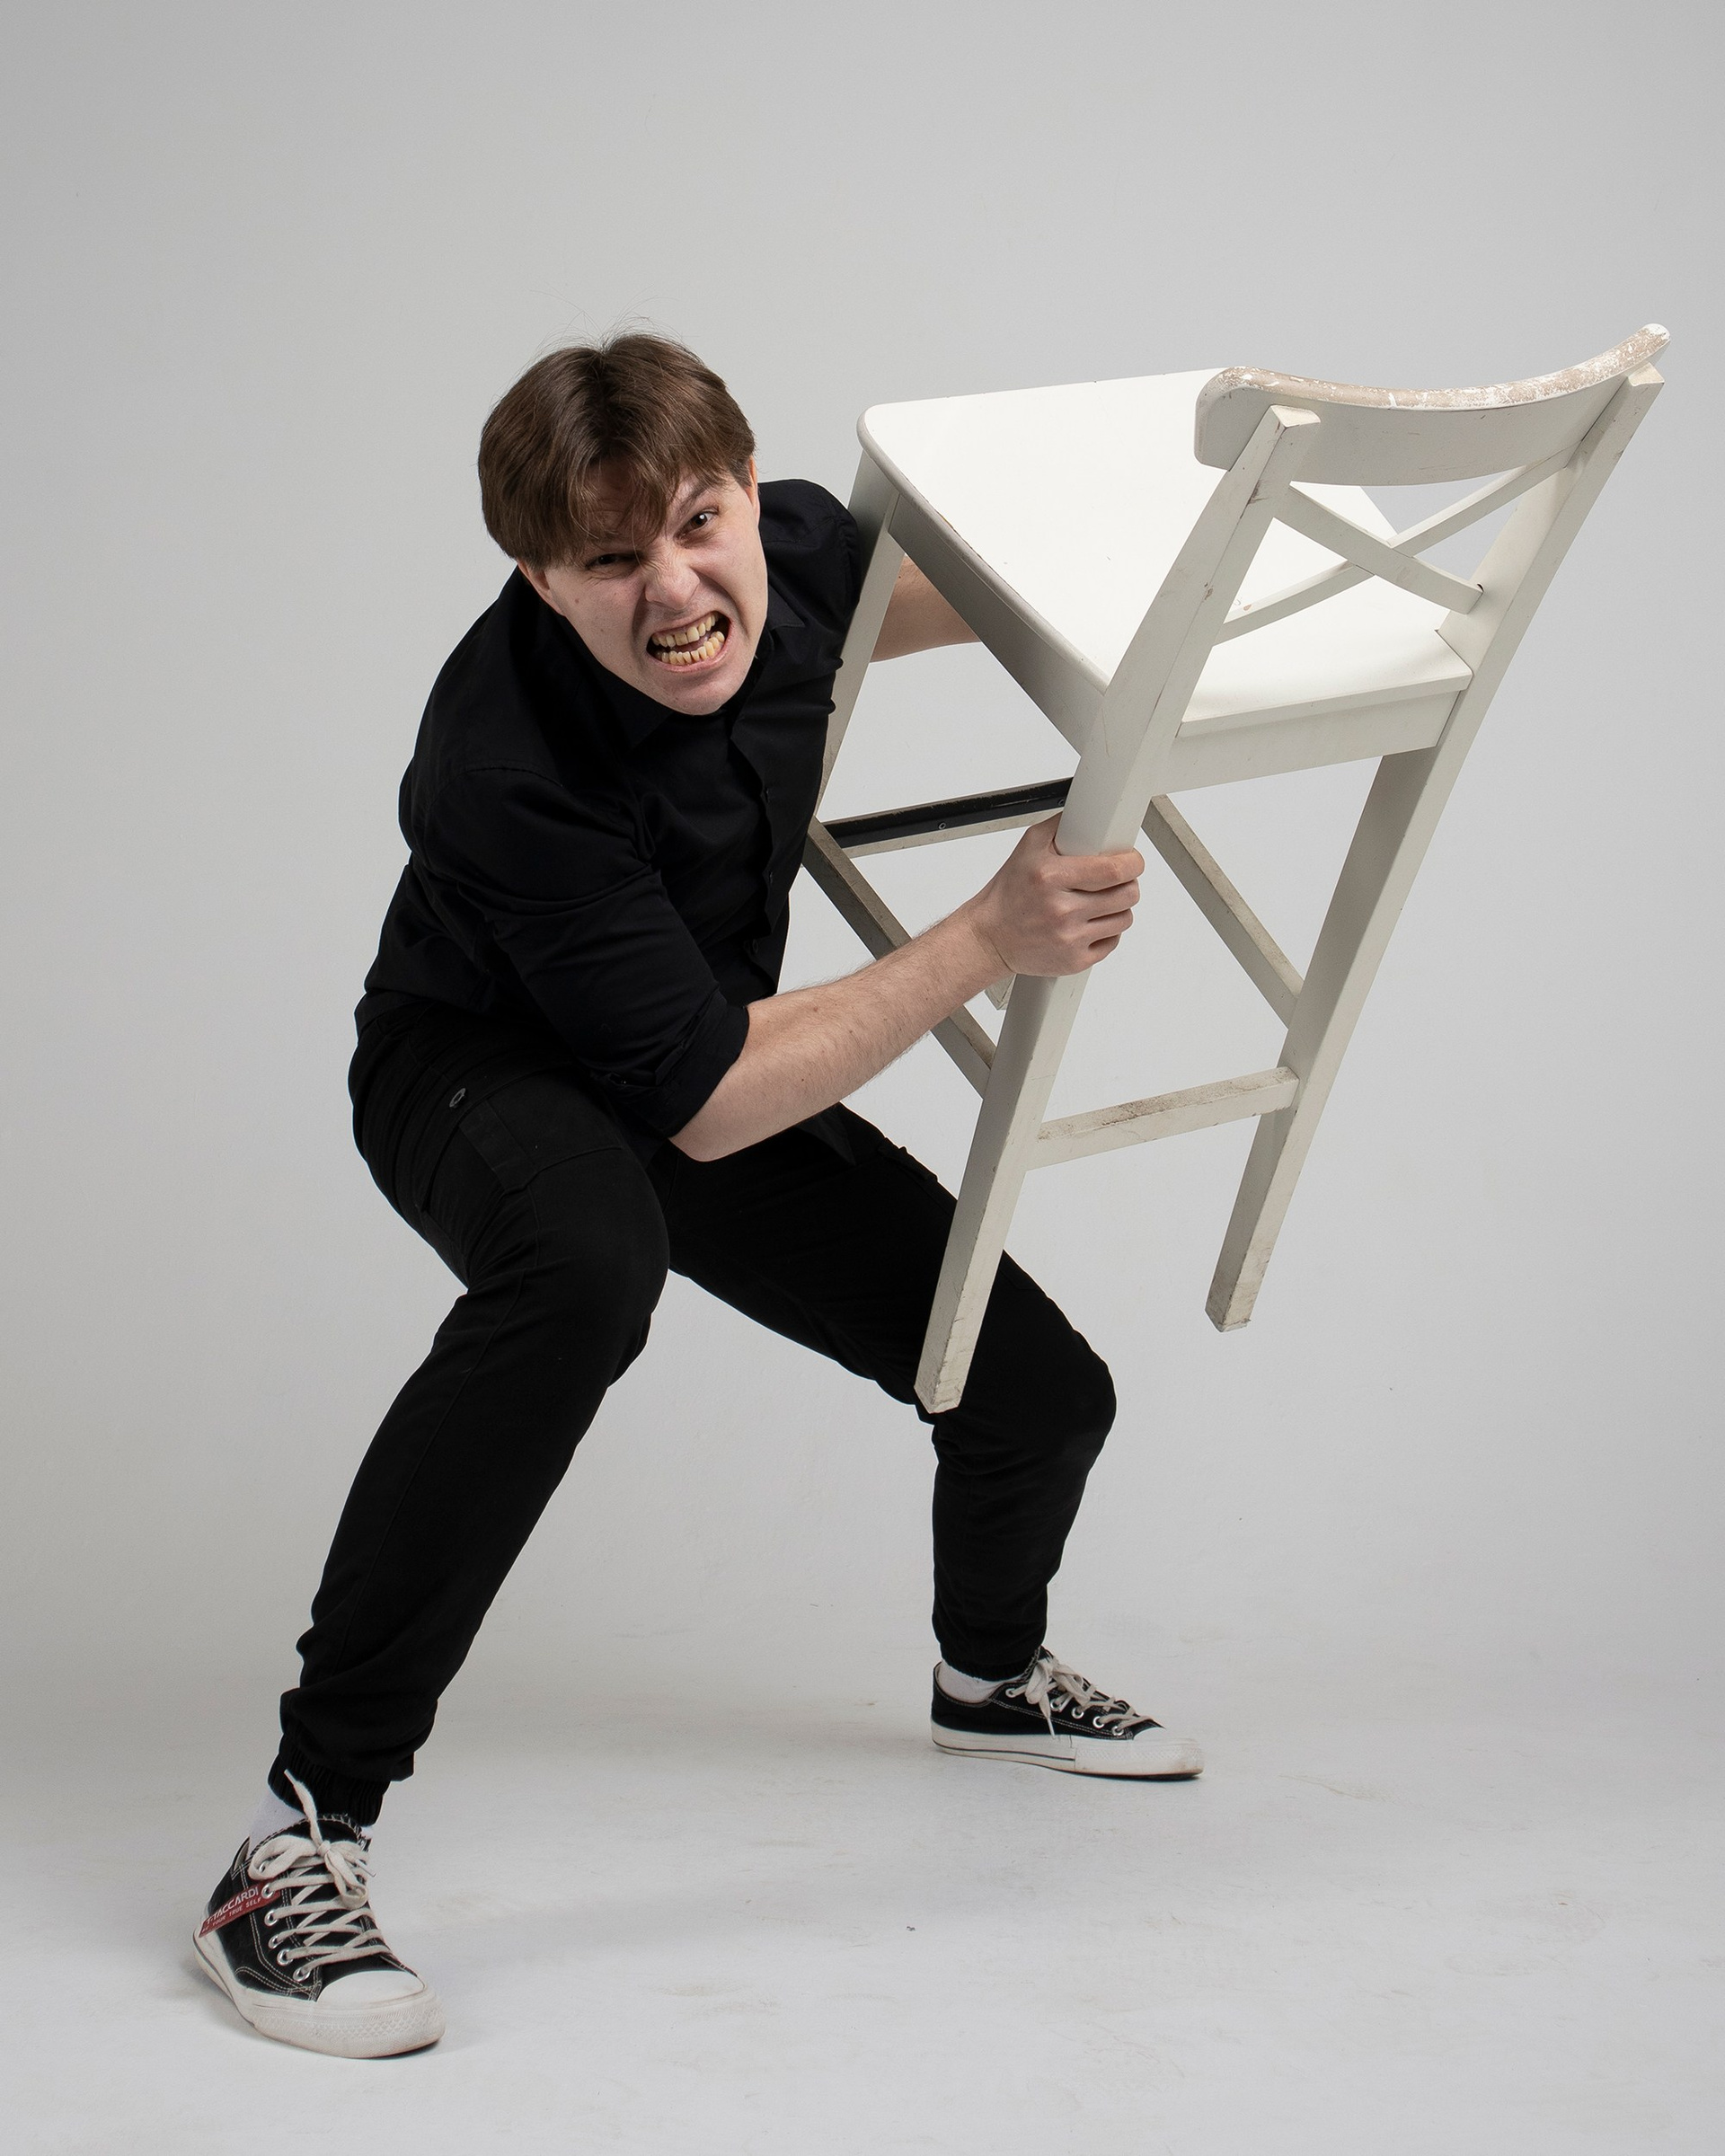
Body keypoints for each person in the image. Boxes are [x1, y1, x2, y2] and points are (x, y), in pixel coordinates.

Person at [192, 333, 1203, 2059]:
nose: (674, 592)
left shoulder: (793, 551)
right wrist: (987, 935)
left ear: (744, 495)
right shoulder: (499, 759)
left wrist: (1188, 573)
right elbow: (715, 1105)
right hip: (482, 1066)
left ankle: (990, 1679)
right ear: (540, 577)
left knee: (1042, 1394)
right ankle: (295, 1837)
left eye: (696, 526)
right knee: (590, 1266)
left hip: (696, 1042)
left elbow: (972, 591)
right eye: (609, 560)